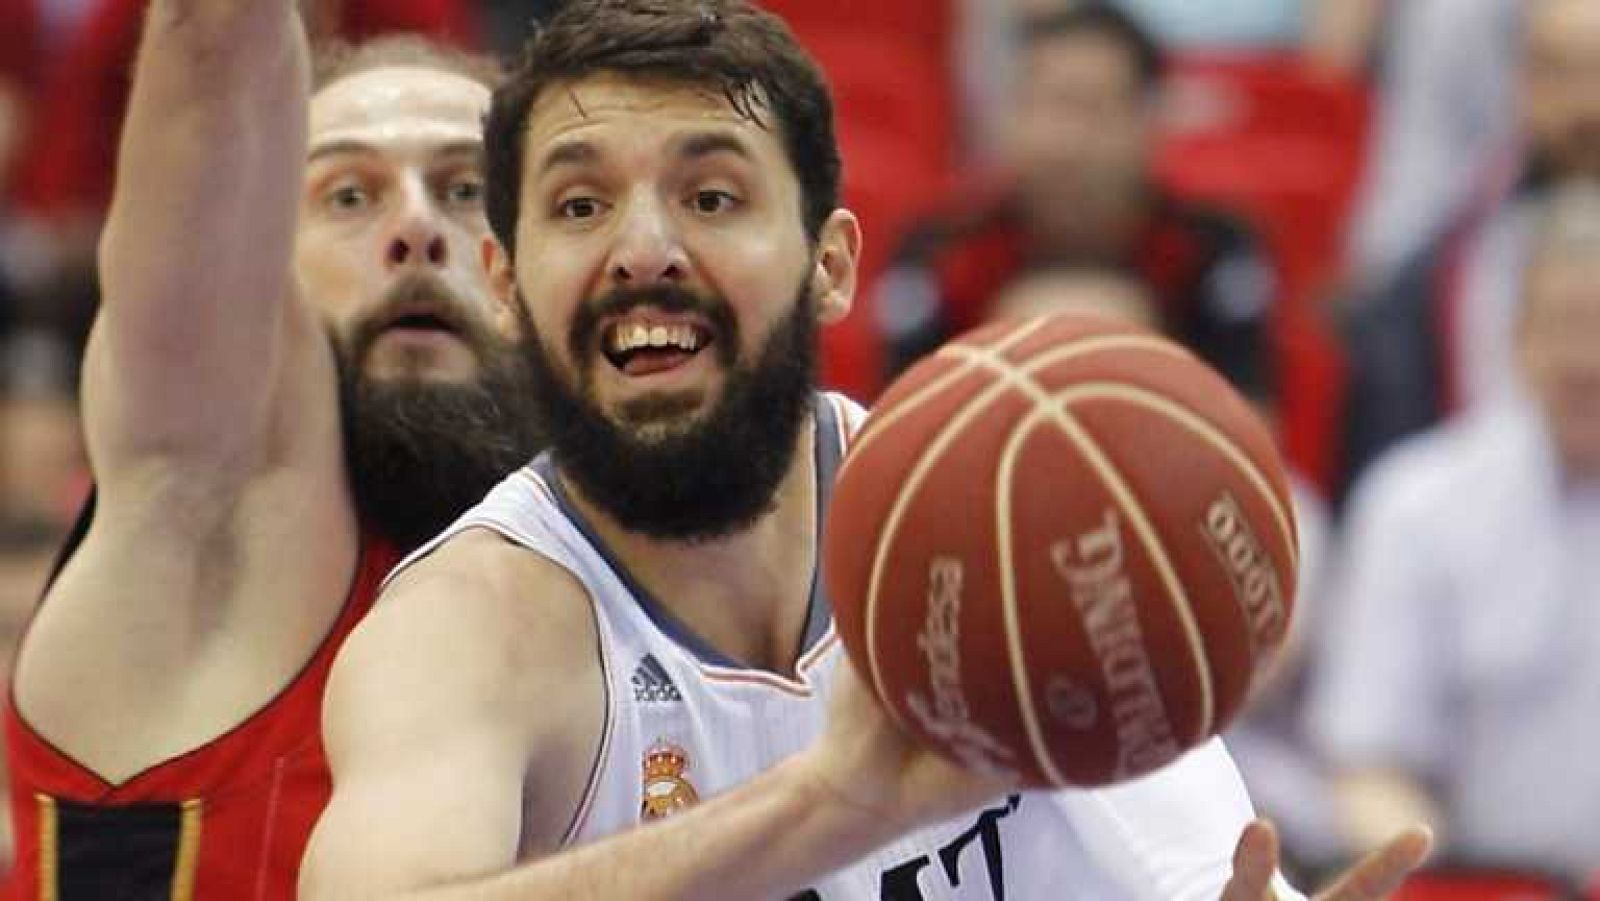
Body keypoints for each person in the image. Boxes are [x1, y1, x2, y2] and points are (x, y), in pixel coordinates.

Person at [302, 2, 1428, 898]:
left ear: (831, 264)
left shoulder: (1009, 517)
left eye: (709, 193)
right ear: (505, 284)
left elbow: (1204, 873)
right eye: (581, 205)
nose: (644, 247)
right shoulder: (467, 628)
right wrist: (830, 808)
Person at [2, 9, 542, 898]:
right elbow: (214, 47)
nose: (415, 229)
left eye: (467, 191)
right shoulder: (196, 515)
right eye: (347, 196)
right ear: (251, 256)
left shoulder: (621, 597)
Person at [1310, 180, 1600, 883]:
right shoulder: (1417, 504)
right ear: (1518, 335)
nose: (1588, 360)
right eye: (1567, 324)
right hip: (1495, 885)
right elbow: (1368, 765)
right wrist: (1441, 874)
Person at [879, 3, 1279, 406]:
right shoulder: (940, 251)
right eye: (1045, 106)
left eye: (1092, 108)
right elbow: (891, 421)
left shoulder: (1213, 248)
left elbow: (1252, 426)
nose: (1066, 142)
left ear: (1148, 122)